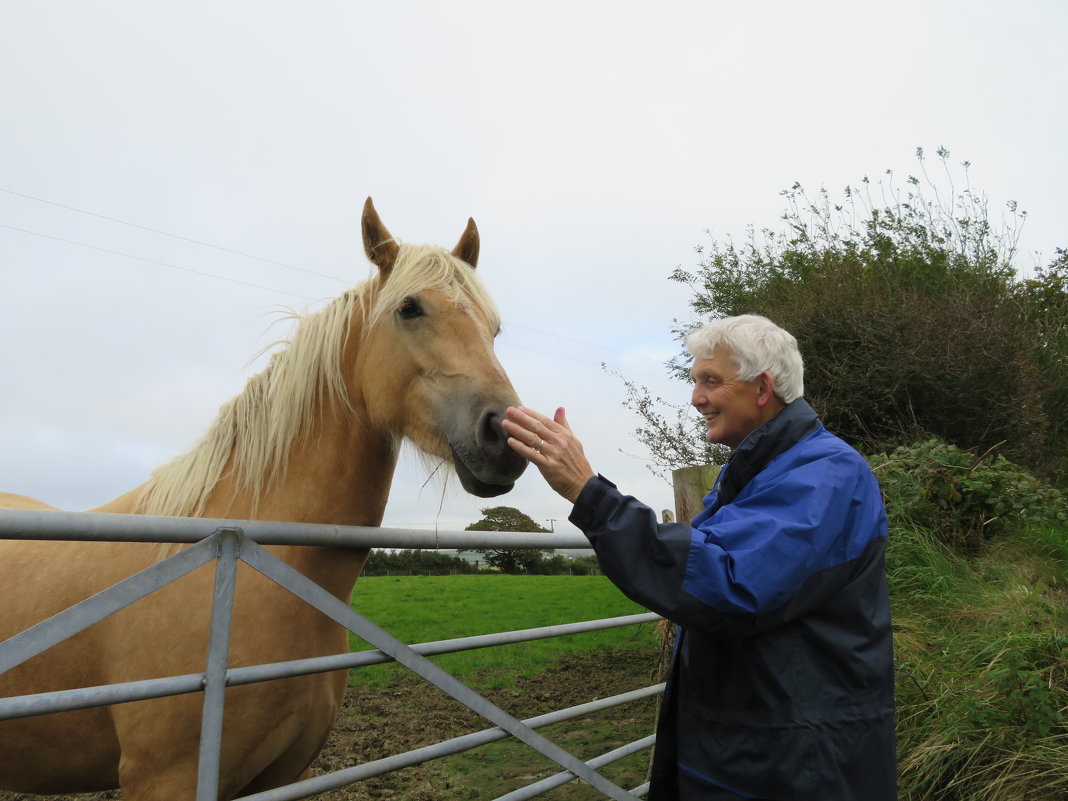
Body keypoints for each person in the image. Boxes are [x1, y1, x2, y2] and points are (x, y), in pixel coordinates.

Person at [501, 314, 896, 801]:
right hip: (757, 748)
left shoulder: (825, 475)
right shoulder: (761, 474)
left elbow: (729, 583)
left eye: (711, 381)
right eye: (695, 381)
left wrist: (590, 494)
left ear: (763, 387)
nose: (696, 398)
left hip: (796, 765)